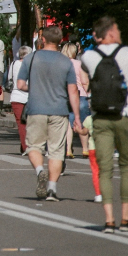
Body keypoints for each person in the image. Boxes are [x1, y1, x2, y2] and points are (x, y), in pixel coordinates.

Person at [79, 17, 128, 229]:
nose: (119, 31)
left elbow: (83, 81)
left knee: (104, 168)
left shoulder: (89, 56)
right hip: (124, 115)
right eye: (116, 29)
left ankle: (109, 220)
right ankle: (126, 217)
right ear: (110, 33)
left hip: (100, 118)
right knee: (126, 166)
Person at [16, 25, 81, 202]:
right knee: (57, 151)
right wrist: (77, 117)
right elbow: (73, 90)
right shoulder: (65, 61)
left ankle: (39, 171)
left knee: (34, 146)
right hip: (59, 111)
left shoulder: (31, 58)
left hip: (36, 109)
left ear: (42, 39)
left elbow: (20, 85)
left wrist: (34, 88)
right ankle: (52, 190)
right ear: (60, 41)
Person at [7, 45, 32, 154]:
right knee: (31, 123)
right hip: (29, 96)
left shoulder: (13, 64)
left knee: (21, 123)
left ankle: (24, 146)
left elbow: (9, 79)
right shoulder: (30, 65)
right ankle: (27, 147)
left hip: (16, 96)